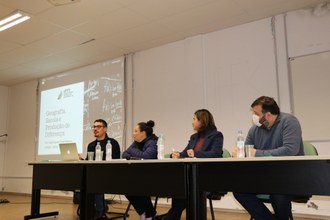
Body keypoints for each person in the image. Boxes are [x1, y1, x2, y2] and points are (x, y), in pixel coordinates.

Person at [232, 96, 304, 220]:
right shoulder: (255, 129)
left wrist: (257, 153)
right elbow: (247, 151)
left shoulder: (289, 121)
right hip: (265, 176)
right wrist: (239, 152)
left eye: (256, 113)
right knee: (239, 191)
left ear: (268, 115)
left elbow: (290, 150)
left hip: (288, 176)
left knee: (279, 194)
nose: (253, 116)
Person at [161, 109, 224, 220]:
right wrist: (177, 155)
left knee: (186, 187)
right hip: (191, 175)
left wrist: (196, 153)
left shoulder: (216, 135)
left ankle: (169, 217)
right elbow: (186, 152)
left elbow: (216, 153)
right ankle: (171, 217)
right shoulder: (194, 137)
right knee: (180, 185)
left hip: (208, 176)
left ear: (202, 121)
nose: (192, 122)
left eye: (194, 119)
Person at [122, 120, 158, 220]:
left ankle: (150, 214)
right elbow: (124, 154)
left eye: (135, 131)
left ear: (143, 134)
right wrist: (133, 154)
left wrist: (132, 152)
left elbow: (147, 156)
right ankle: (142, 212)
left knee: (139, 186)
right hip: (139, 175)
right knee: (124, 186)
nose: (133, 133)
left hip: (153, 177)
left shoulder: (153, 142)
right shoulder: (137, 143)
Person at [86, 119, 120, 219]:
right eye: (94, 127)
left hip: (109, 174)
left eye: (98, 127)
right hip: (94, 174)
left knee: (96, 183)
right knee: (81, 184)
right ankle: (89, 210)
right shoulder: (91, 145)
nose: (95, 129)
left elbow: (117, 161)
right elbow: (88, 161)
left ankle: (99, 212)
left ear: (105, 129)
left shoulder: (113, 143)